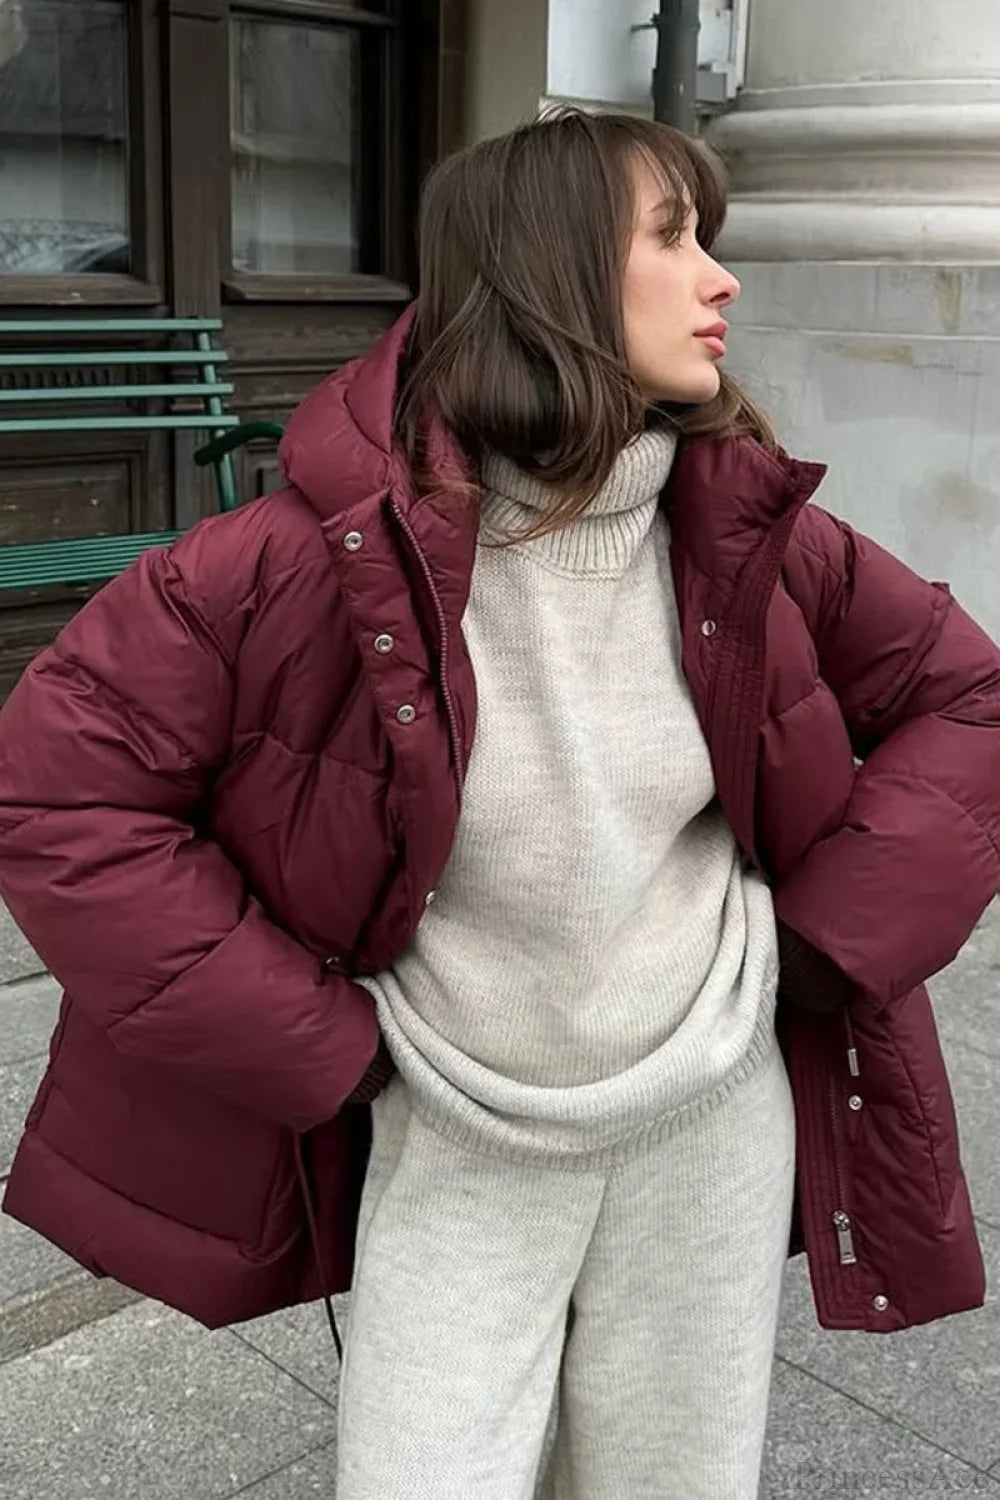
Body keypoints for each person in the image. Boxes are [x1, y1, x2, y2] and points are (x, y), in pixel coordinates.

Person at [0, 107, 998, 1500]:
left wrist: (825, 944)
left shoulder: (761, 536)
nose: (721, 278)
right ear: (551, 273)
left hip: (710, 1121)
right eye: (672, 238)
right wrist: (319, 1047)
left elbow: (970, 698)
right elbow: (62, 795)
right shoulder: (297, 561)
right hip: (455, 1134)